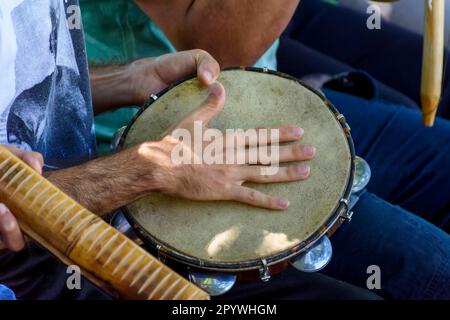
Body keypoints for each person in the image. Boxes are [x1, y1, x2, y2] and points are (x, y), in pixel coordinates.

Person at [0, 0, 381, 300]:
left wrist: (128, 78)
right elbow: (12, 217)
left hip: (99, 181)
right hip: (44, 257)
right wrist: (147, 169)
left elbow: (30, 92)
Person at [79, 0, 450, 299]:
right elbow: (221, 45)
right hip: (158, 138)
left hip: (247, 89)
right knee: (437, 272)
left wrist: (129, 77)